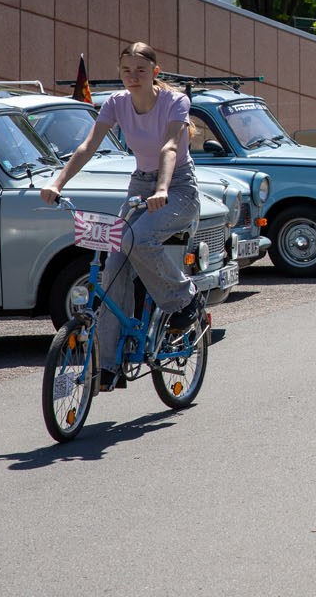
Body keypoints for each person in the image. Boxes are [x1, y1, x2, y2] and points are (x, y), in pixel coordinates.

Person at [41, 42, 203, 391]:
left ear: (155, 72)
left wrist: (162, 189)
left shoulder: (175, 102)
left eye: (141, 71)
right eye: (126, 70)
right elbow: (87, 146)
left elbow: (170, 148)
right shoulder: (116, 102)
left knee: (139, 239)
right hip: (140, 186)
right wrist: (56, 182)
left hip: (178, 188)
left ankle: (184, 299)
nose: (133, 77)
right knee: (114, 267)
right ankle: (111, 365)